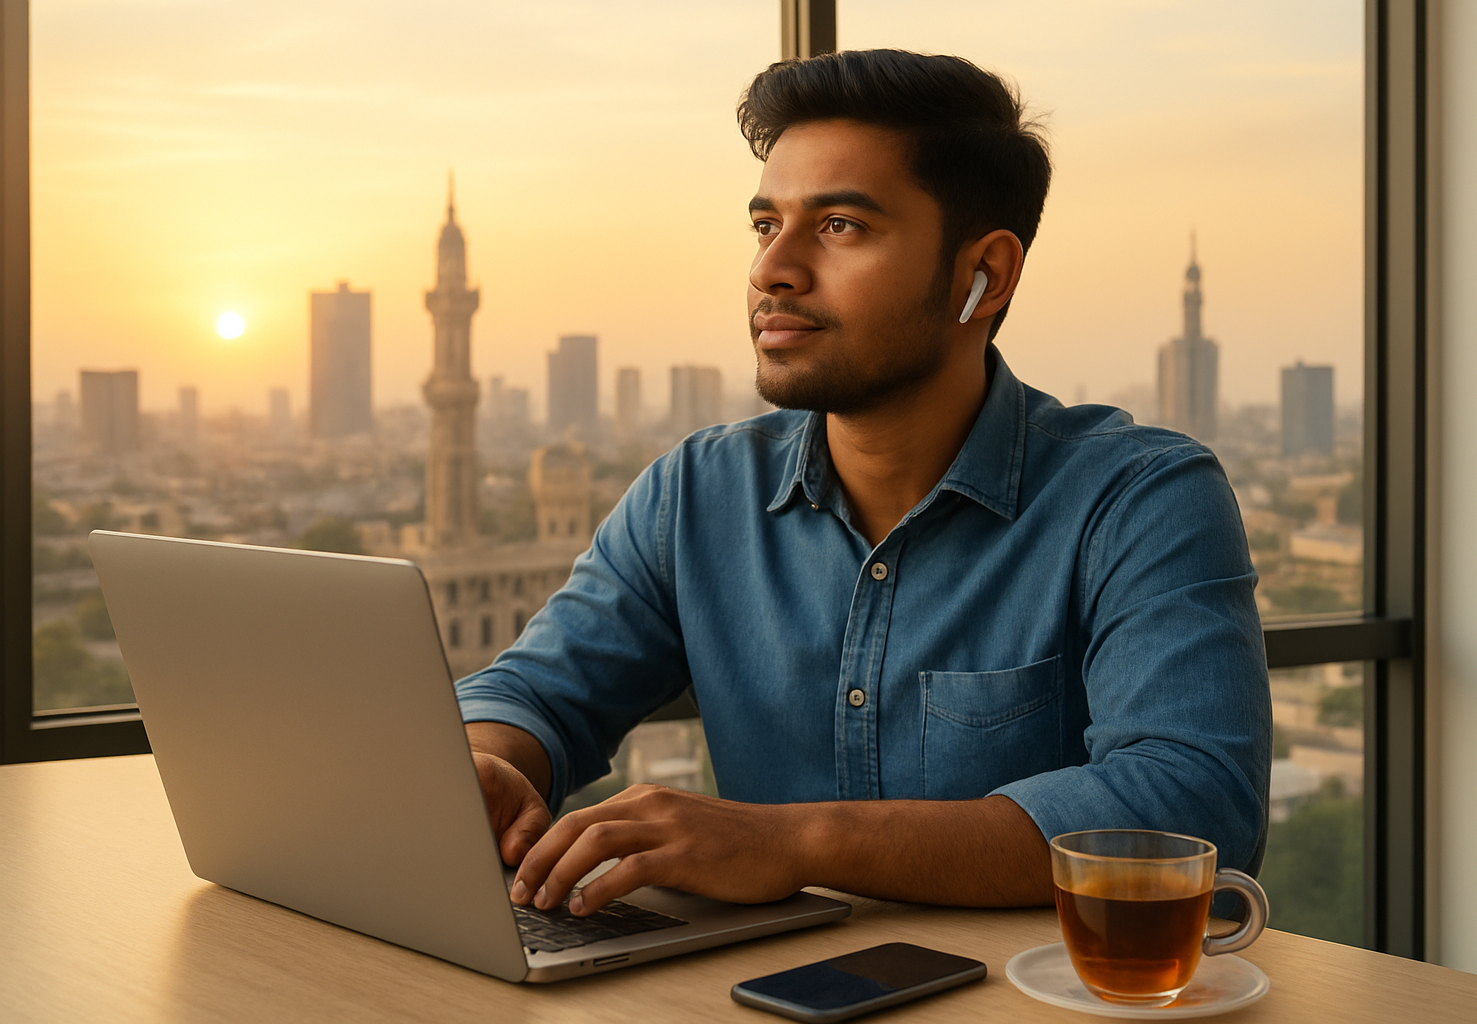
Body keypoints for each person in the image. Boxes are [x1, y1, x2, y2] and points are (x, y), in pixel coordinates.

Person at [456, 49, 1270, 918]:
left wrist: (796, 843)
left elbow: (1192, 802)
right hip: (761, 999)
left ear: (983, 273)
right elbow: (534, 692)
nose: (775, 268)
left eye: (840, 225)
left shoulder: (1138, 499)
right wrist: (487, 762)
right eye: (766, 225)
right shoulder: (697, 494)